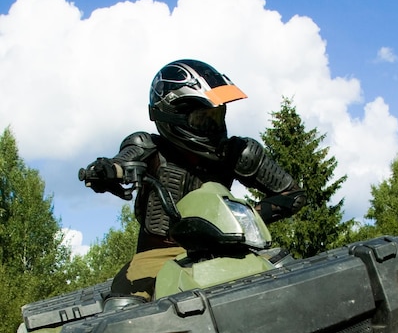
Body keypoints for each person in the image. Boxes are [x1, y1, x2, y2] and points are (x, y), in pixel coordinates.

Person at [81, 59, 306, 299]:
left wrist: (241, 219)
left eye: (216, 115)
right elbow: (123, 161)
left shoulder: (238, 152)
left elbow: (293, 195)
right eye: (202, 118)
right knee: (126, 308)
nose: (212, 125)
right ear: (171, 115)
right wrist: (107, 171)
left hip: (230, 251)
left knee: (290, 283)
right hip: (157, 256)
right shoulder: (148, 147)